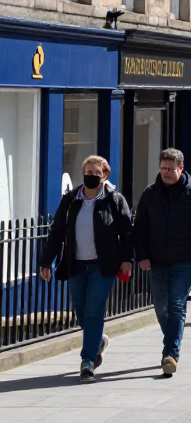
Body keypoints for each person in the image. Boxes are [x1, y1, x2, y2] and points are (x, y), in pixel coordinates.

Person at [39, 155, 134, 381]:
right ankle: (98, 341)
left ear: (105, 175)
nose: (91, 176)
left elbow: (127, 233)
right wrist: (46, 261)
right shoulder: (71, 199)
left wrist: (127, 260)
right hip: (76, 264)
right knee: (81, 311)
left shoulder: (114, 200)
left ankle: (87, 361)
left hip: (103, 266)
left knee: (94, 310)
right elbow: (57, 231)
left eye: (96, 173)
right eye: (88, 172)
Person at [133, 148, 191, 378]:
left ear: (181, 168)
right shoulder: (150, 194)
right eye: (163, 168)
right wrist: (142, 255)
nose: (166, 173)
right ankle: (171, 339)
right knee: (161, 306)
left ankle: (170, 354)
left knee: (177, 305)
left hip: (185, 261)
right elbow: (140, 228)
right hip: (157, 260)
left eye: (171, 169)